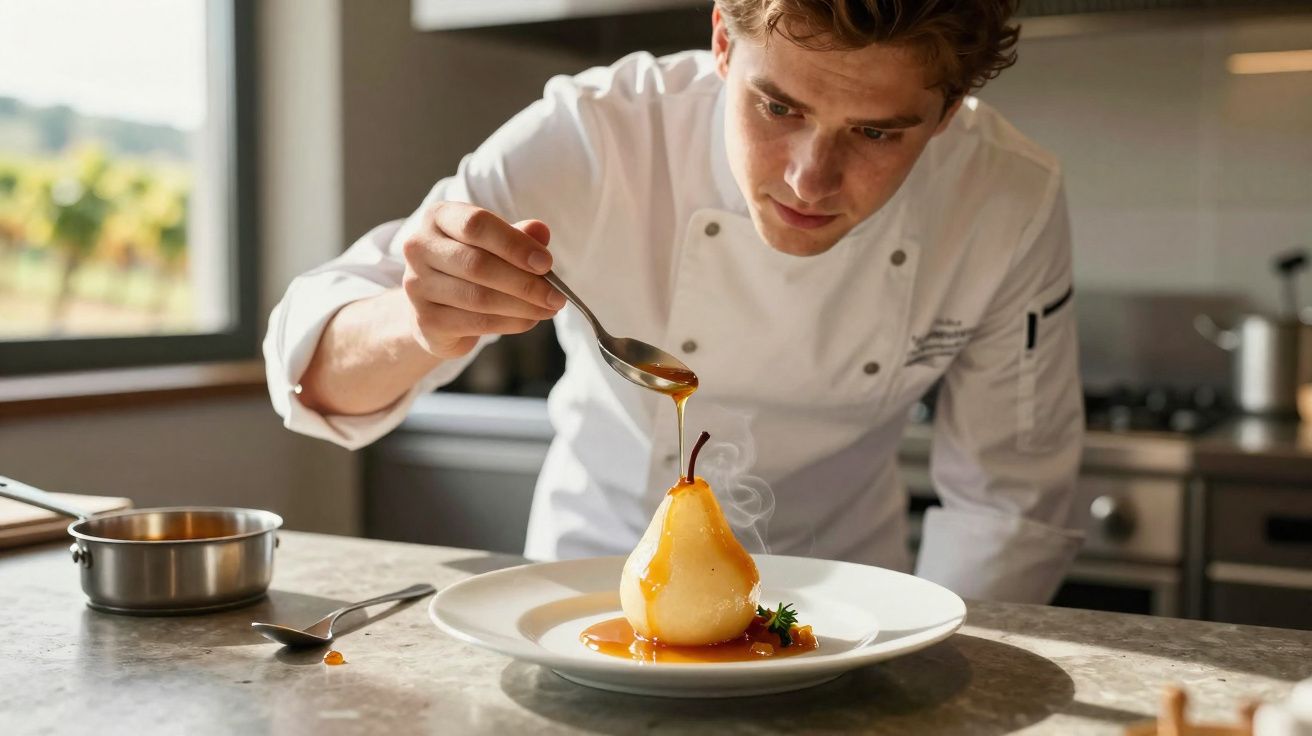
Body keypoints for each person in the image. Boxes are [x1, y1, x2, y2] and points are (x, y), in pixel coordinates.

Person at [265, 0, 1085, 603]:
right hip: (585, 601)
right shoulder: (594, 136)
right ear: (723, 40)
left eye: (877, 134)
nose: (810, 178)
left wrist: (935, 664)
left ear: (945, 117)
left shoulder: (1006, 199)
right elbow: (314, 376)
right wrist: (416, 322)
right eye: (780, 107)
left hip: (844, 611)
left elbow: (1008, 500)